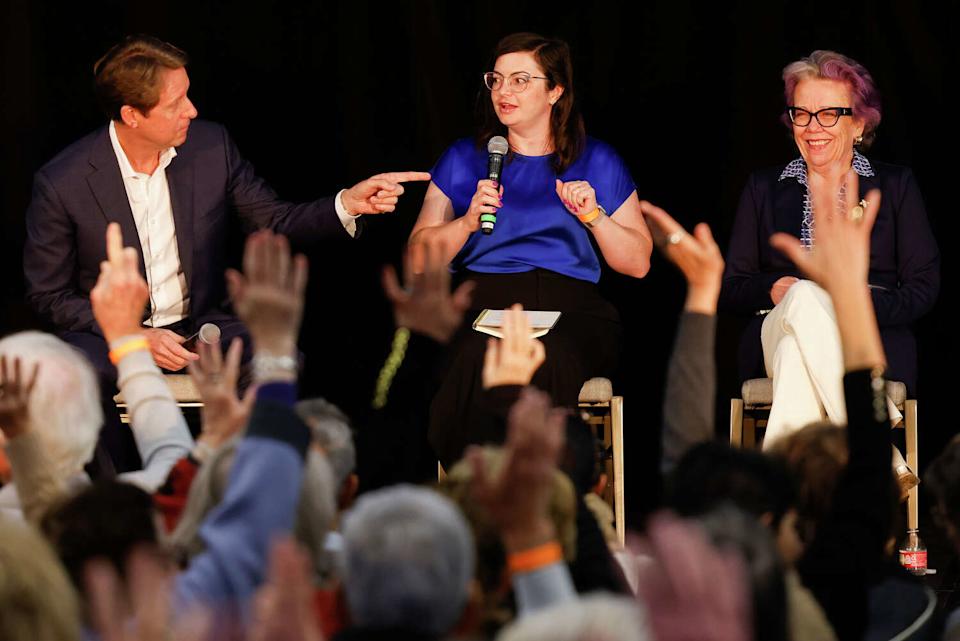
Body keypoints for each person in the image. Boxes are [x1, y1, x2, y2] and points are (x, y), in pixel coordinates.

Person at [23, 34, 430, 471]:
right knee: (78, 379)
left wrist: (347, 203)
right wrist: (131, 335)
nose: (192, 110)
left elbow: (274, 219)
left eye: (188, 95)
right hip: (107, 334)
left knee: (278, 361)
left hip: (201, 327)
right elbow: (49, 294)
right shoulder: (63, 182)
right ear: (132, 115)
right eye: (176, 103)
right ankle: (120, 497)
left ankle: (246, 487)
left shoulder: (210, 147)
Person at [409, 32, 653, 466]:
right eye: (497, 79)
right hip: (484, 306)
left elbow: (637, 263)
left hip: (571, 309)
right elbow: (418, 258)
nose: (504, 91)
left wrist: (594, 217)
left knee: (549, 357)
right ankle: (481, 485)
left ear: (555, 91)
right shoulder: (464, 158)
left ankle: (543, 485)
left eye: (520, 80)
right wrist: (466, 222)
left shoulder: (596, 159)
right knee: (475, 358)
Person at [719, 50, 939, 468]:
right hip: (777, 322)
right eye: (801, 114)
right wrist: (773, 288)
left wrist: (850, 302)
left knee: (795, 357)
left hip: (871, 336)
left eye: (828, 114)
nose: (812, 127)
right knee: (801, 296)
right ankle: (876, 448)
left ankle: (782, 491)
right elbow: (731, 287)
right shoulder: (763, 187)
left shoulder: (895, 185)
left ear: (859, 124)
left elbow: (923, 286)